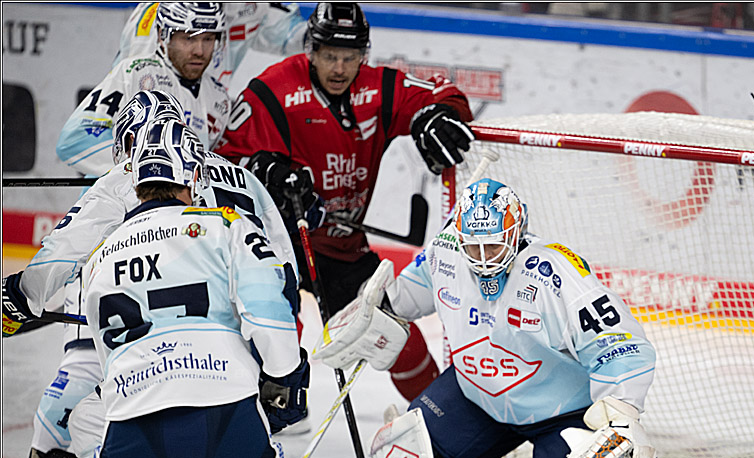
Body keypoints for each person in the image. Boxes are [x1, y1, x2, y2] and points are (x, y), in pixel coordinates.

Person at [3, 89, 302, 458]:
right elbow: (282, 270)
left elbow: (50, 276)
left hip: (155, 350)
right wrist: (285, 359)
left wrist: (17, 298)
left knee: (118, 441)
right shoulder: (240, 177)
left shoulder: (122, 182)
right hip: (244, 350)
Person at [313, 178, 718, 458]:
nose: (484, 256)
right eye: (475, 244)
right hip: (478, 397)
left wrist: (622, 414)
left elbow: (621, 342)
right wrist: (373, 311)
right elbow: (407, 296)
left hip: (561, 414)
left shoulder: (553, 272)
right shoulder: (446, 252)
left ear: (517, 231)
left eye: (494, 244)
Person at [73, 117, 311, 458]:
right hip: (225, 418)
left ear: (136, 184)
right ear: (193, 178)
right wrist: (284, 375)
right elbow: (268, 310)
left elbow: (92, 357)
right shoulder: (226, 224)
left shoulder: (100, 256)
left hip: (133, 426)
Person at [215, 1, 476, 402]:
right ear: (311, 51)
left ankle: (438, 422)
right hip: (278, 242)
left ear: (364, 55)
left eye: (350, 57)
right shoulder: (274, 89)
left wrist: (436, 114)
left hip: (341, 246)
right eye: (329, 56)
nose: (339, 68)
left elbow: (444, 93)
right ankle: (266, 419)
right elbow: (223, 161)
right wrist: (266, 170)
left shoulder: (379, 88)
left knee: (393, 331)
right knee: (273, 333)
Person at [56, 2, 230, 177]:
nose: (199, 51)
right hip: (116, 201)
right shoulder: (135, 73)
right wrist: (147, 170)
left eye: (208, 39)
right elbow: (75, 139)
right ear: (163, 35)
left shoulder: (219, 98)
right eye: (189, 38)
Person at [112, 1, 307, 90]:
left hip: (209, 121)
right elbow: (136, 89)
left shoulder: (251, 7)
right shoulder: (163, 13)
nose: (199, 49)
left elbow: (295, 37)